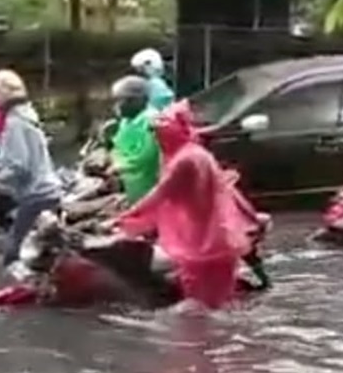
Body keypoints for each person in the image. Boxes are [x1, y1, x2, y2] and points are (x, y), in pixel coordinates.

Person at [111, 106, 264, 310]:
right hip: (219, 235)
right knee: (218, 302)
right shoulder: (196, 153)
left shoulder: (183, 161)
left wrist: (125, 218)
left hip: (200, 243)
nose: (157, 139)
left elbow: (159, 195)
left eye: (159, 134)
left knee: (197, 306)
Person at [0, 70, 64, 267]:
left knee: (13, 254)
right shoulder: (28, 114)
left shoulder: (14, 123)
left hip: (35, 195)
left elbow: (19, 167)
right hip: (50, 191)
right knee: (44, 251)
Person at [109, 75, 162, 204]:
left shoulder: (152, 121)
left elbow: (147, 156)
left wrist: (119, 167)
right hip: (132, 186)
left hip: (149, 185)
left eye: (120, 101)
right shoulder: (126, 121)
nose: (116, 106)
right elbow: (119, 147)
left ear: (137, 100)